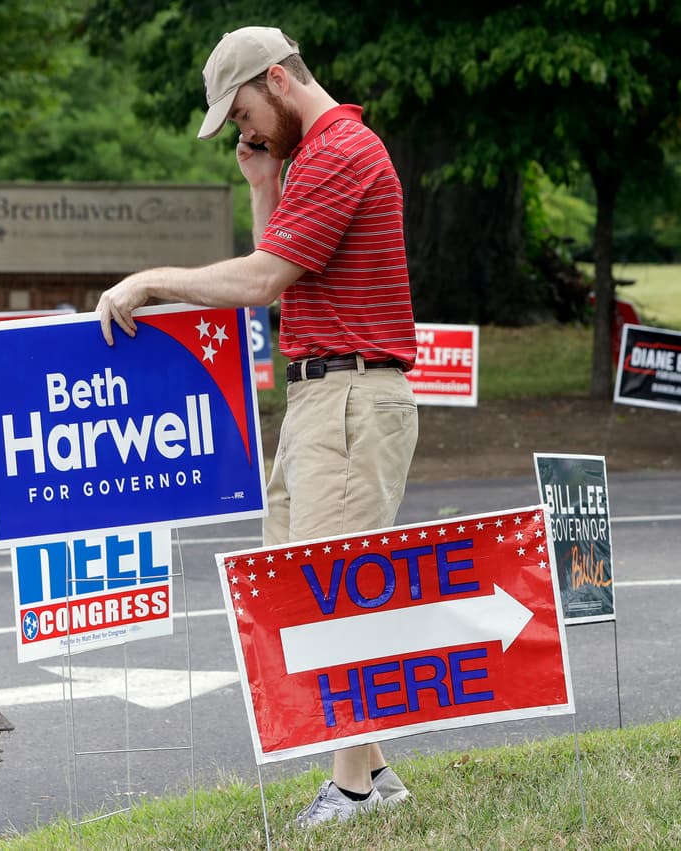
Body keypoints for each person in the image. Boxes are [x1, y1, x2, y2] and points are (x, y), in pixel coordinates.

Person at [95, 25, 419, 828]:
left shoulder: (342, 147)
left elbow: (263, 277)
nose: (239, 131)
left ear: (277, 80)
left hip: (348, 396)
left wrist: (151, 281)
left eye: (240, 113)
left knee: (332, 590)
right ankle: (377, 775)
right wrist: (261, 180)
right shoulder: (311, 156)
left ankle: (347, 791)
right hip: (320, 398)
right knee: (296, 582)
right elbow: (281, 263)